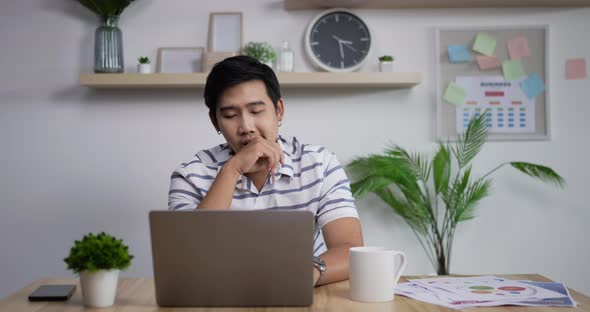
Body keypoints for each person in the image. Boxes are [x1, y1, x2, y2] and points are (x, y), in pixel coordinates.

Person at [168, 55, 363, 286]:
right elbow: (187, 258)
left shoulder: (320, 164)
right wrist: (232, 170)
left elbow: (351, 251)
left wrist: (305, 272)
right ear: (215, 122)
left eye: (257, 111)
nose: (246, 127)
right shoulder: (190, 175)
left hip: (302, 291)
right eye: (230, 115)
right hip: (218, 294)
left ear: (278, 110)